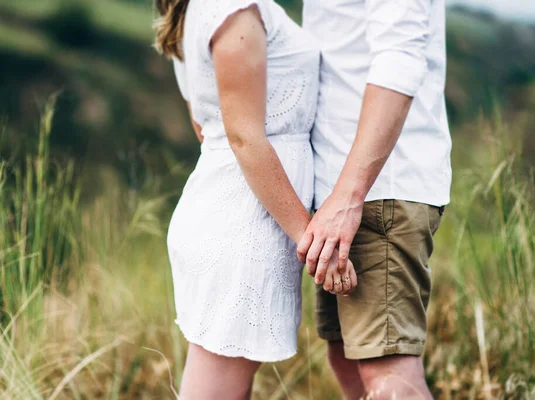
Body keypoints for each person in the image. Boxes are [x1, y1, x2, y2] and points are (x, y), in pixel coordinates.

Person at [153, 0, 358, 398]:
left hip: (231, 208)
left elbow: (204, 123)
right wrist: (312, 241)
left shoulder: (200, 9)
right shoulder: (231, 9)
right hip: (242, 222)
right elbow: (244, 137)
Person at [299, 0, 452, 398]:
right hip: (345, 190)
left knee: (388, 379)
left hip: (376, 190)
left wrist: (349, 196)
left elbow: (400, 57)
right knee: (347, 357)